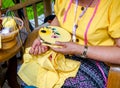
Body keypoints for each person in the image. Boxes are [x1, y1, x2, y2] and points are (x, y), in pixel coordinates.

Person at [20, 0, 120, 88]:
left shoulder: (114, 5)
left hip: (98, 63)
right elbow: (59, 19)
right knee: (30, 74)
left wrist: (78, 49)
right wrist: (44, 39)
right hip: (64, 56)